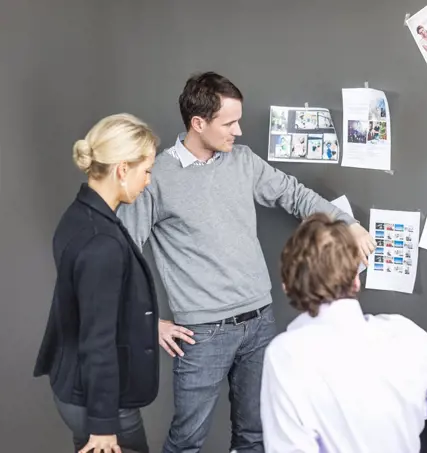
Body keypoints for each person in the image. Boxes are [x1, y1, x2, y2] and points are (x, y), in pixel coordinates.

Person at [116, 72, 375, 453]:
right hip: (202, 334)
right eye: (229, 123)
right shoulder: (156, 176)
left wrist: (348, 225)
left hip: (260, 324)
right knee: (187, 441)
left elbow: (295, 195)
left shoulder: (243, 161)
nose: (238, 130)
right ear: (198, 123)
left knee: (255, 436)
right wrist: (147, 322)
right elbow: (121, 255)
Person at [261, 213, 427, 453]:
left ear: (287, 285)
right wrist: (405, 410)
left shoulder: (286, 355)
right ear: (356, 279)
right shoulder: (404, 333)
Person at [33, 114, 160, 453]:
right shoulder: (100, 241)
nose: (148, 181)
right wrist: (104, 427)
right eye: (146, 171)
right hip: (102, 405)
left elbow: (88, 307)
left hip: (77, 387)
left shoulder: (79, 215)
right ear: (122, 169)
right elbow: (97, 337)